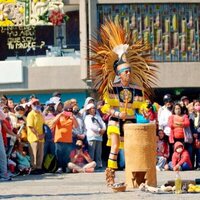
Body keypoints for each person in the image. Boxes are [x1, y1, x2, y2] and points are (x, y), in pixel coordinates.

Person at [89, 19, 157, 186]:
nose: (128, 74)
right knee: (114, 146)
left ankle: (132, 176)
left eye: (129, 71)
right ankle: (110, 175)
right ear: (119, 74)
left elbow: (139, 105)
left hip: (131, 122)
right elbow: (105, 107)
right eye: (125, 72)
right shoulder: (112, 88)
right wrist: (119, 113)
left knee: (130, 149)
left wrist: (145, 107)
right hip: (115, 121)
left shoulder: (135, 89)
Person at [52, 103, 78, 173]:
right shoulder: (60, 116)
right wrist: (60, 114)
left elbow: (76, 126)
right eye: (67, 110)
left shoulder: (72, 117)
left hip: (68, 140)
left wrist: (73, 118)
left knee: (66, 155)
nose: (69, 111)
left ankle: (65, 167)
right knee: (59, 155)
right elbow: (53, 123)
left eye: (70, 110)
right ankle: (59, 167)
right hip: (59, 139)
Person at [84, 103, 106, 169]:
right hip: (92, 137)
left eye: (94, 108)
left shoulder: (98, 117)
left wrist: (104, 129)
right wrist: (99, 130)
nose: (94, 109)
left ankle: (99, 164)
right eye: (92, 108)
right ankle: (91, 165)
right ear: (89, 110)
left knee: (98, 152)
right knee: (92, 152)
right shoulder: (87, 118)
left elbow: (103, 123)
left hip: (99, 137)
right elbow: (90, 126)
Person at [26, 98, 45, 174]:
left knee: (40, 154)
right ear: (31, 105)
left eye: (37, 103)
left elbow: (44, 125)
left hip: (41, 138)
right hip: (33, 137)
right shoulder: (31, 114)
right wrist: (37, 135)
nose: (36, 105)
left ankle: (39, 167)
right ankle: (34, 168)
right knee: (33, 154)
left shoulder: (40, 114)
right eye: (34, 104)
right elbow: (30, 126)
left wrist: (43, 134)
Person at [189, 100, 200, 170]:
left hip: (199, 135)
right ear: (193, 106)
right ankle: (192, 165)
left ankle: (198, 165)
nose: (198, 106)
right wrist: (193, 132)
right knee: (192, 151)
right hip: (192, 136)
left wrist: (198, 133)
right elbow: (190, 125)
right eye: (196, 105)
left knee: (199, 151)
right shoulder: (191, 115)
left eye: (198, 104)